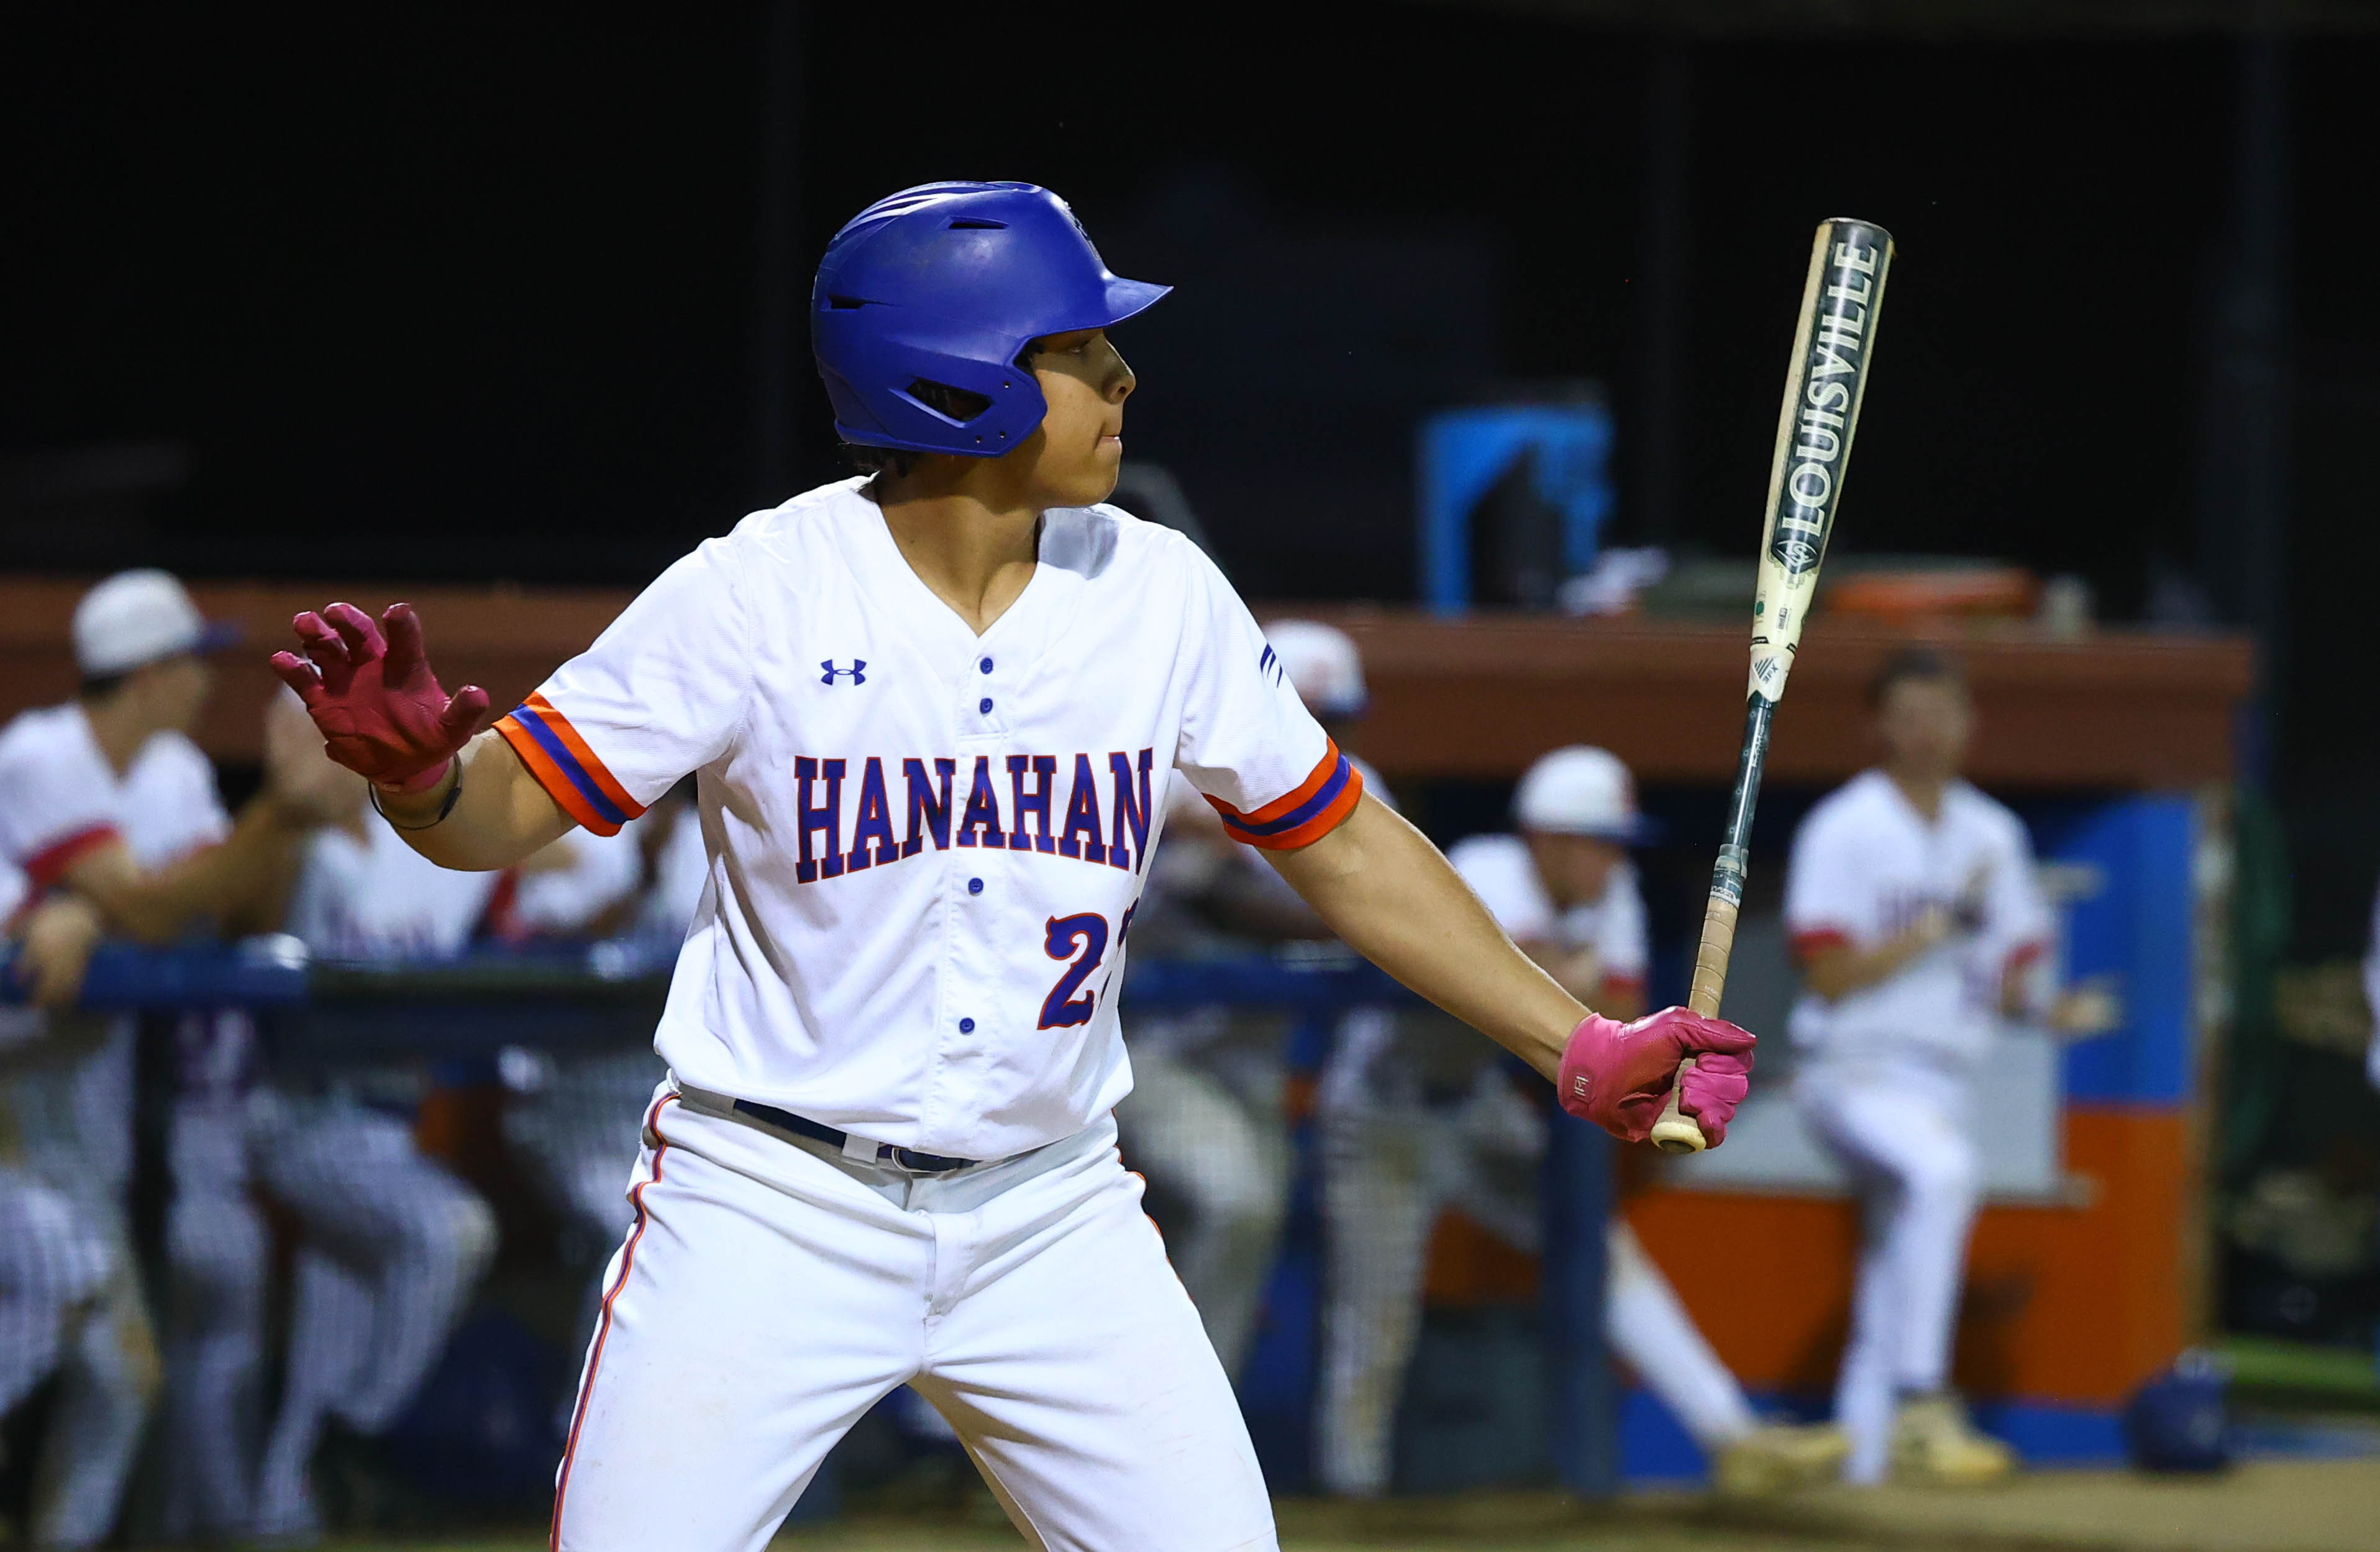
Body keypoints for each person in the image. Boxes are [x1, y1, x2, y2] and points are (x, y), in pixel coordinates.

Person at [270, 180, 1757, 1552]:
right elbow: (496, 815)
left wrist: (1578, 1044)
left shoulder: (1158, 593)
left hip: (1051, 1216)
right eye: (1078, 349)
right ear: (955, 378)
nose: (1122, 379)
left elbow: (1349, 842)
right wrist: (418, 779)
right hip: (770, 1204)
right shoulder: (757, 592)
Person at [1315, 747, 1846, 1497]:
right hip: (1384, 1114)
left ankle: (1733, 1437)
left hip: (1477, 1107)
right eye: (1598, 842)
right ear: (1547, 838)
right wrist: (1574, 979)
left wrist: (1583, 989)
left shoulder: (1613, 893)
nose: (1611, 860)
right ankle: (1349, 1501)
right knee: (1375, 1323)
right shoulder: (1487, 865)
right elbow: (1531, 984)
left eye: (1615, 844)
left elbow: (1619, 1013)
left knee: (1601, 1250)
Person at [0, 569, 327, 1550]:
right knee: (68, 1293)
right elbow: (148, 908)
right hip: (13, 1099)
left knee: (119, 1370)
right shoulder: (40, 752)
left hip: (76, 1097)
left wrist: (291, 818)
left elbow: (231, 909)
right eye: (191, 660)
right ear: (146, 672)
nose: (204, 679)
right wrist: (274, 814)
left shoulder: (173, 769)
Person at [1785, 644, 2076, 1487]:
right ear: (1876, 725)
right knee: (1944, 1175)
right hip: (1853, 1068)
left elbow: (2008, 976)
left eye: (1942, 713)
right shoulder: (1844, 826)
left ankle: (1865, 1472)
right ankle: (1920, 1398)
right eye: (1908, 715)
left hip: (1944, 1077)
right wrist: (1929, 928)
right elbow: (1825, 975)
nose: (1927, 732)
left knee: (1894, 1267)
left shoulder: (1992, 833)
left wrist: (2045, 1010)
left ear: (1969, 723)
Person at [1115, 619, 1374, 1377]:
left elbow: (1357, 902)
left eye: (1333, 720)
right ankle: (1168, 1395)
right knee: (1237, 1204)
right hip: (1146, 1057)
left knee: (1246, 1227)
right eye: (1303, 716)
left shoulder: (1358, 793)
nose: (1317, 737)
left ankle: (1194, 1405)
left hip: (1253, 1064)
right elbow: (1223, 903)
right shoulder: (1173, 773)